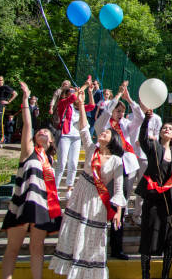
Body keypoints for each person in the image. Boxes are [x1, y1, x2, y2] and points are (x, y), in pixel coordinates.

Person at [49, 87, 125, 279]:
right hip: (81, 192)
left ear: (112, 139)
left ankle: (89, 272)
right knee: (75, 230)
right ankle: (72, 271)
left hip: (97, 201)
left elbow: (118, 190)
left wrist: (118, 212)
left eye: (106, 134)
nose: (102, 134)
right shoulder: (92, 149)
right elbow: (83, 128)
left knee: (92, 235)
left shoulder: (117, 161)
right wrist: (82, 105)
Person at [2, 82, 61, 279]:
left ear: (52, 140)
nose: (42, 132)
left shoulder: (50, 160)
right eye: (40, 132)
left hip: (41, 206)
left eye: (47, 132)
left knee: (37, 248)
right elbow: (28, 124)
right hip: (22, 203)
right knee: (13, 248)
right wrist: (25, 98)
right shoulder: (28, 152)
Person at [94, 80, 143, 260]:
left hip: (125, 167)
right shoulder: (104, 127)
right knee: (101, 207)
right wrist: (115, 98)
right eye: (117, 110)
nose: (120, 113)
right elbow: (104, 115)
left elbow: (140, 117)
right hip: (106, 168)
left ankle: (116, 247)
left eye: (122, 111)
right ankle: (97, 247)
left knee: (119, 207)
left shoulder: (127, 125)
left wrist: (129, 99)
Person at [137, 110, 172, 279]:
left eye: (170, 129)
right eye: (164, 128)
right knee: (147, 236)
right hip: (152, 200)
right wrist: (146, 120)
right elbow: (142, 139)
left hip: (169, 203)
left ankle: (165, 275)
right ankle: (145, 274)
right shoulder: (153, 147)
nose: (166, 130)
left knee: (169, 240)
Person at [55, 81, 95, 199]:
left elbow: (92, 106)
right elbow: (73, 97)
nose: (76, 94)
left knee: (73, 163)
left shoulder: (79, 107)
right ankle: (55, 189)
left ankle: (69, 188)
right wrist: (85, 85)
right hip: (65, 136)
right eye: (72, 92)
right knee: (61, 163)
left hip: (77, 137)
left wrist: (89, 92)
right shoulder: (63, 104)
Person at [132, 104, 162, 225]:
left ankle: (137, 214)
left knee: (142, 186)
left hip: (145, 157)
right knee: (127, 187)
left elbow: (157, 137)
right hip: (131, 155)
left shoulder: (157, 118)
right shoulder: (133, 116)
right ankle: (121, 213)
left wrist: (147, 138)